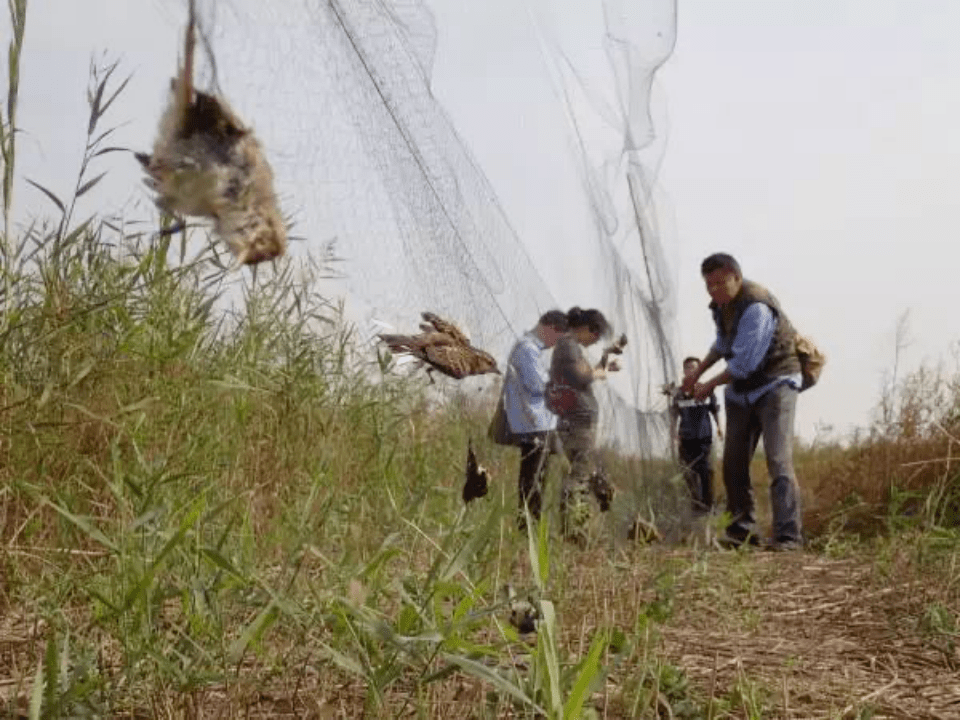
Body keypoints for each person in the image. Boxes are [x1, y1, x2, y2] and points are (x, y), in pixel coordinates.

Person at [682, 253, 804, 551]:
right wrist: (697, 371)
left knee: (778, 460)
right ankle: (742, 533)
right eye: (708, 285)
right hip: (741, 391)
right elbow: (723, 343)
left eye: (720, 284)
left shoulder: (757, 306)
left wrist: (707, 384)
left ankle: (788, 537)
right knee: (733, 463)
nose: (714, 291)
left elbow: (745, 363)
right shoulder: (721, 306)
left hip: (775, 383)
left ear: (736, 277)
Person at [549, 307, 617, 546]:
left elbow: (582, 374)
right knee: (579, 476)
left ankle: (576, 529)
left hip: (576, 420)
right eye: (596, 336)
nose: (595, 341)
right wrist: (600, 372)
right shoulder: (568, 344)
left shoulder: (570, 347)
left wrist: (603, 363)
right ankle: (574, 532)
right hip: (577, 423)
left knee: (582, 473)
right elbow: (582, 377)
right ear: (588, 329)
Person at [503, 310, 570, 527]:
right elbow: (536, 385)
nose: (553, 345)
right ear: (549, 327)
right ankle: (528, 528)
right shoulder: (527, 349)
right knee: (532, 480)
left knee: (537, 478)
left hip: (536, 422)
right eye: (556, 339)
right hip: (531, 424)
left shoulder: (532, 350)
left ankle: (530, 526)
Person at [671, 356, 723, 515]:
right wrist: (673, 433)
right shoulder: (679, 393)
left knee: (706, 472)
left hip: (703, 439)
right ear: (684, 371)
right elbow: (674, 415)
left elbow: (715, 410)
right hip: (686, 439)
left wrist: (720, 427)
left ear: (699, 370)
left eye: (694, 367)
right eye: (688, 368)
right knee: (689, 474)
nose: (691, 370)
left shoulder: (706, 389)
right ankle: (696, 508)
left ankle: (709, 507)